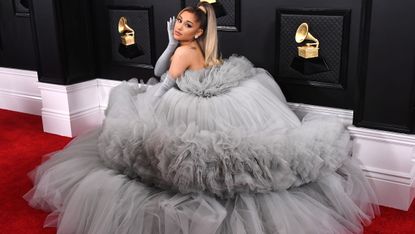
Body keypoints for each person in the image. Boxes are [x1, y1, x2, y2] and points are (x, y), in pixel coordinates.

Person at [24, 2, 379, 233]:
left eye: (186, 24)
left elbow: (162, 81)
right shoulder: (197, 49)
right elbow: (168, 66)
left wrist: (145, 106)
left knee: (178, 150)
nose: (178, 27)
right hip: (212, 92)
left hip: (186, 98)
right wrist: (168, 44)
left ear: (198, 31)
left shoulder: (184, 52)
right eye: (178, 21)